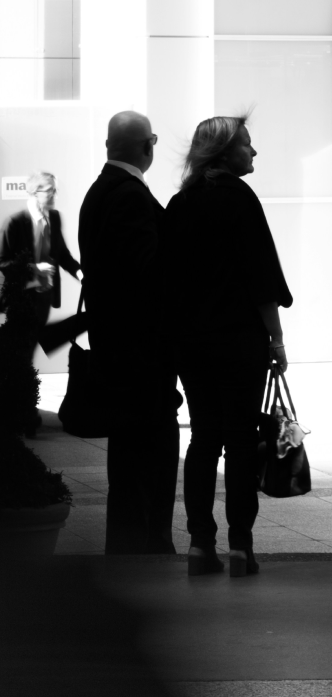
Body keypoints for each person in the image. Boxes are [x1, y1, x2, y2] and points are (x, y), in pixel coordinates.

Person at [164, 115, 292, 578]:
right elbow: (261, 276)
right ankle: (241, 548)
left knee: (203, 439)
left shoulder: (180, 203)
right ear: (224, 152)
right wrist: (276, 337)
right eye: (246, 145)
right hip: (240, 340)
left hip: (193, 343)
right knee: (240, 442)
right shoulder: (240, 199)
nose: (253, 152)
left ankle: (200, 544)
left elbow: (167, 280)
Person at [79, 111, 181, 554]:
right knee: (149, 456)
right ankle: (144, 548)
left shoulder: (99, 192)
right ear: (148, 146)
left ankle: (128, 547)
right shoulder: (131, 197)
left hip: (115, 351)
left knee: (127, 460)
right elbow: (146, 278)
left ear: (108, 146)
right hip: (141, 359)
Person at [0, 172, 82, 436]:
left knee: (29, 351)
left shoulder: (54, 218)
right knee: (23, 354)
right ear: (34, 193)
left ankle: (23, 412)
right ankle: (25, 415)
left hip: (44, 299)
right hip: (22, 300)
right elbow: (3, 262)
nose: (54, 195)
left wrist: (81, 273)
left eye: (54, 190)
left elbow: (62, 254)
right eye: (49, 190)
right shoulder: (15, 222)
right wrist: (33, 268)